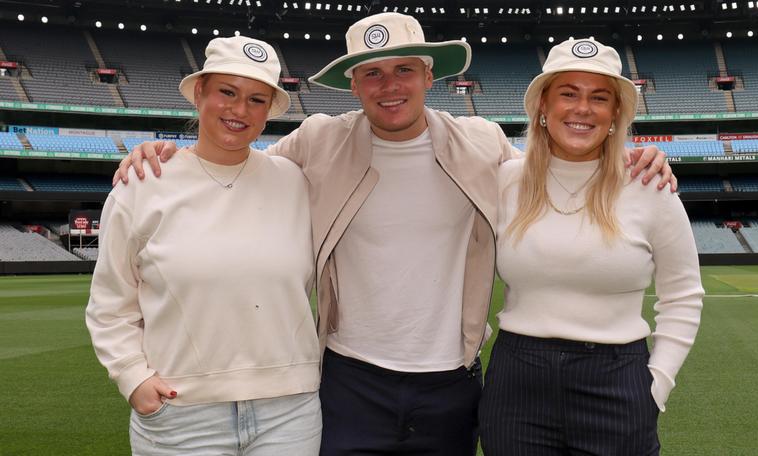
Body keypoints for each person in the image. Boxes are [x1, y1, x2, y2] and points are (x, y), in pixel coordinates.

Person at [113, 13, 675, 455]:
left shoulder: (481, 143)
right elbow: (233, 165)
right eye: (372, 73)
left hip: (451, 382)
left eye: (404, 69)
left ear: (430, 75)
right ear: (353, 84)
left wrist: (627, 155)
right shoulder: (316, 141)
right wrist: (168, 154)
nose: (389, 85)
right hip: (348, 380)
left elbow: (555, 169)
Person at [86, 36, 321, 455]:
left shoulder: (295, 181)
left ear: (269, 111)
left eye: (256, 99)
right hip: (181, 414)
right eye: (227, 93)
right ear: (200, 93)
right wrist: (131, 376)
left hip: (290, 412)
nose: (239, 110)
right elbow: (110, 301)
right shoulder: (143, 184)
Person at [478, 38, 704, 455]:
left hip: (618, 380)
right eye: (568, 93)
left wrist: (656, 386)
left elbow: (683, 296)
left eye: (599, 98)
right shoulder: (504, 180)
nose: (582, 109)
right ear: (543, 106)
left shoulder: (650, 186)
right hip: (517, 383)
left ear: (615, 113)